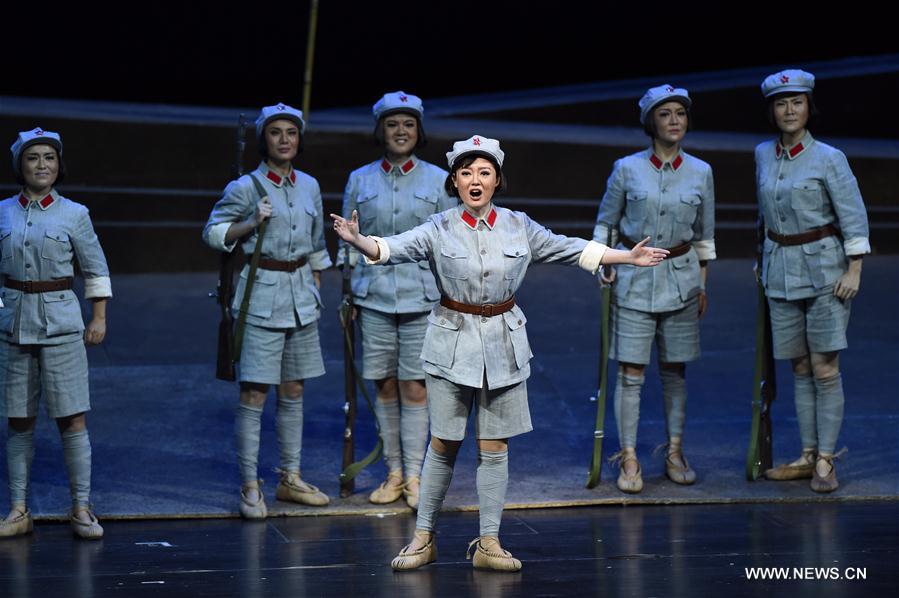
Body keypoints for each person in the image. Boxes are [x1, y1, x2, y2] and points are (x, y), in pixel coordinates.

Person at [331, 135, 668, 571]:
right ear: (454, 181)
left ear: (496, 181)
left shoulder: (518, 225)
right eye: (467, 172)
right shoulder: (438, 227)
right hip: (452, 344)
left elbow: (570, 248)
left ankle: (488, 543)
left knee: (494, 448)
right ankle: (422, 538)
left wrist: (625, 256)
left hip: (504, 346)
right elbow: (391, 248)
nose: (475, 180)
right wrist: (360, 241)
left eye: (484, 173)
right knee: (444, 444)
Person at [203, 103, 333, 519]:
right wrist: (250, 224)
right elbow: (213, 233)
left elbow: (316, 246)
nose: (284, 139)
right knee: (255, 392)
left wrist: (316, 289)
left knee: (294, 390)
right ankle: (249, 485)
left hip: (300, 299)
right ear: (265, 139)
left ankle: (290, 478)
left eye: (291, 132)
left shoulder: (309, 185)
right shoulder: (246, 187)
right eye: (276, 132)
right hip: (260, 296)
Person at [592, 85, 716, 494]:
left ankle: (675, 450)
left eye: (680, 113)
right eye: (666, 114)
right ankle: (628, 456)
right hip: (635, 279)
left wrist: (701, 284)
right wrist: (605, 262)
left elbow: (705, 237)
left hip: (681, 279)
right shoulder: (626, 168)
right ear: (651, 122)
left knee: (675, 370)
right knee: (631, 372)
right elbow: (606, 222)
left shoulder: (700, 171)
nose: (675, 120)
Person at [339, 91, 455, 509]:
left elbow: (450, 239)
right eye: (392, 124)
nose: (400, 131)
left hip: (422, 297)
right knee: (385, 385)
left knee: (416, 388)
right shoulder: (360, 179)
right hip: (373, 298)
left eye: (408, 124)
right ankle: (393, 472)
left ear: (418, 130)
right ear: (381, 130)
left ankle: (415, 477)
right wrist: (347, 289)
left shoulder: (437, 180)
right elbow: (347, 241)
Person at [755, 70, 869, 492]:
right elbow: (764, 213)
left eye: (797, 102)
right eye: (782, 103)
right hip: (780, 270)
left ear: (809, 107)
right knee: (799, 366)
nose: (789, 110)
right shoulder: (763, 155)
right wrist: (760, 260)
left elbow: (853, 214)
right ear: (773, 109)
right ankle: (806, 455)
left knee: (824, 366)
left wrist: (854, 268)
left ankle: (825, 459)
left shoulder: (829, 157)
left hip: (826, 272)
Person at [0, 127, 112, 539]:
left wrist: (98, 317)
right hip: (13, 326)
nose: (42, 165)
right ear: (20, 166)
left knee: (72, 417)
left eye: (49, 157)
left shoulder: (74, 214)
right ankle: (18, 509)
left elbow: (95, 269)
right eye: (33, 158)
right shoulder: (2, 212)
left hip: (63, 324)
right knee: (18, 420)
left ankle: (81, 507)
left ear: (59, 165)